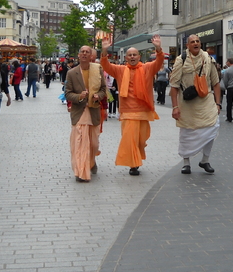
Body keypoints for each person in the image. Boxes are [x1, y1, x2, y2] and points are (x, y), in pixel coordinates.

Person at [100, 35, 164, 176]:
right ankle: (133, 165)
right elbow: (106, 66)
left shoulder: (147, 68)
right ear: (126, 58)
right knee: (130, 139)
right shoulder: (121, 70)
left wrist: (158, 48)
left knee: (141, 139)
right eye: (130, 55)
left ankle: (136, 159)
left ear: (139, 56)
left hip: (144, 111)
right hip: (128, 112)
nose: (132, 57)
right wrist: (104, 50)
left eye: (135, 54)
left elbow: (159, 62)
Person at [168, 34, 222, 174]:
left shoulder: (208, 59)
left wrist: (218, 104)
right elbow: (174, 86)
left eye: (198, 41)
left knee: (212, 127)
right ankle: (186, 163)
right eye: (192, 42)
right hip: (187, 103)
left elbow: (216, 83)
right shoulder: (181, 60)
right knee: (187, 132)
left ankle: (205, 160)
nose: (196, 43)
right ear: (188, 45)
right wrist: (175, 107)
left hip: (206, 101)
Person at [65, 46, 107, 182]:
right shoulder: (71, 73)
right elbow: (68, 93)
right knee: (80, 143)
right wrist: (79, 96)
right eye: (82, 51)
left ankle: (91, 161)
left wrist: (98, 96)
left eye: (87, 52)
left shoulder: (97, 69)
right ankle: (81, 172)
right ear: (78, 55)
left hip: (93, 111)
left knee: (93, 144)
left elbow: (103, 89)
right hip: (79, 113)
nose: (84, 54)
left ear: (91, 56)